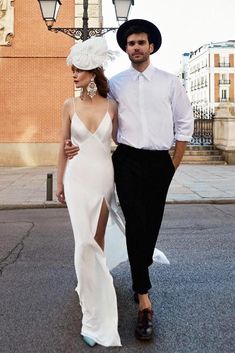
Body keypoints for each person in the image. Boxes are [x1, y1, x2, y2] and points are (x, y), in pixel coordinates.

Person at [64, 18, 194, 342]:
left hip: (159, 163)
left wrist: (172, 165)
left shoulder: (170, 83)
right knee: (136, 223)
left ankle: (140, 265)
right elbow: (91, 111)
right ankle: (144, 301)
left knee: (150, 227)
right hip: (126, 161)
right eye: (130, 43)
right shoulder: (117, 84)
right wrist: (73, 144)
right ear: (126, 49)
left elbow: (184, 124)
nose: (135, 47)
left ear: (151, 46)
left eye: (141, 42)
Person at [56, 36, 122, 347]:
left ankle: (92, 287)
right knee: (83, 241)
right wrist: (59, 181)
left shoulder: (112, 105)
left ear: (92, 71)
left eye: (78, 69)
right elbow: (63, 146)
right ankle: (91, 315)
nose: (73, 74)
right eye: (72, 70)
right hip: (77, 177)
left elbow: (122, 143)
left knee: (97, 241)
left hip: (103, 177)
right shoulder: (69, 105)